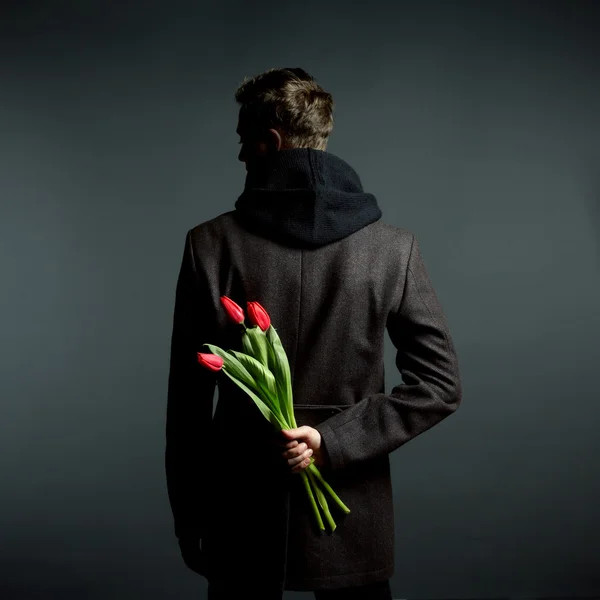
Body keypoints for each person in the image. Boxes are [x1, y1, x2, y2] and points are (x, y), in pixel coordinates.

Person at [165, 67, 463, 600]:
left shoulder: (209, 245)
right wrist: (334, 442)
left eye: (243, 141)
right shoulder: (394, 249)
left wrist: (190, 520)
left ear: (271, 142)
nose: (239, 156)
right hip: (352, 521)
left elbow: (187, 407)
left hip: (240, 519)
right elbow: (440, 385)